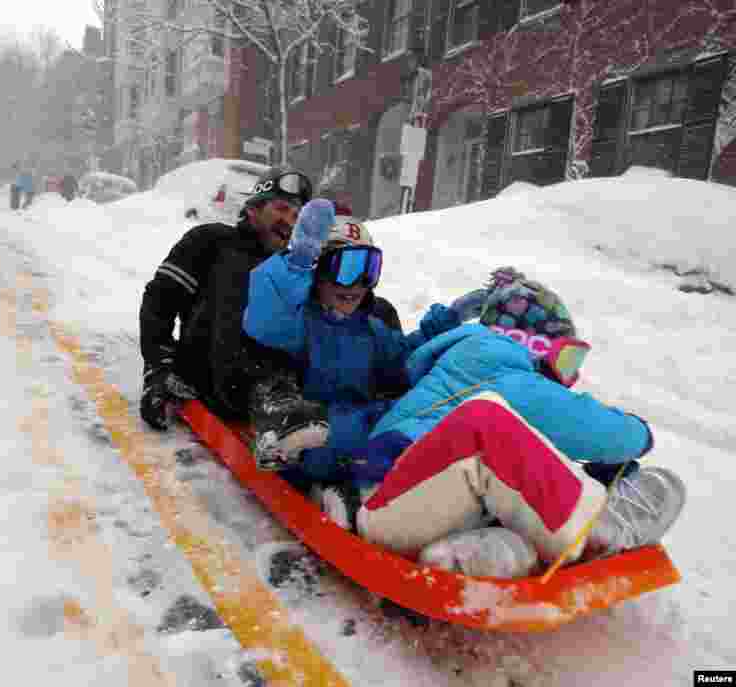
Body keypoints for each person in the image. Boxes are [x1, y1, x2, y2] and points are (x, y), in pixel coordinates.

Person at [320, 267, 686, 577]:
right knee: (487, 422)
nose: (566, 377)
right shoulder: (499, 365)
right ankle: (591, 532)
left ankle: (478, 555)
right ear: (532, 343)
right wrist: (639, 432)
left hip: (420, 502)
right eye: (566, 359)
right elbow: (591, 429)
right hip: (387, 499)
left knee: (518, 460)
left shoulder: (471, 366)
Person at [241, 200, 463, 479]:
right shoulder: (296, 323)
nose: (357, 283)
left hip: (364, 429)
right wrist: (295, 268)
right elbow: (266, 320)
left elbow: (403, 361)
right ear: (316, 272)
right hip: (311, 439)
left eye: (367, 268)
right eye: (345, 268)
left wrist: (437, 331)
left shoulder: (369, 328)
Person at [139, 167, 316, 431]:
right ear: (254, 208)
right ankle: (269, 393)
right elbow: (160, 301)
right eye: (281, 209)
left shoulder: (291, 267)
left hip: (281, 385)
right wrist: (159, 366)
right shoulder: (211, 241)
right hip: (208, 376)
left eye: (296, 216)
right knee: (247, 269)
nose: (289, 222)